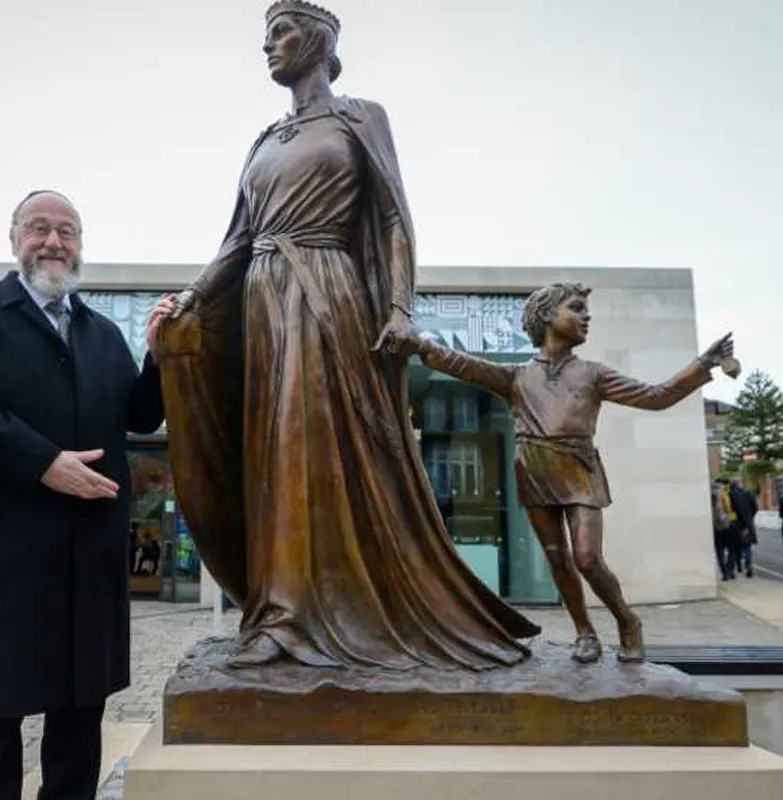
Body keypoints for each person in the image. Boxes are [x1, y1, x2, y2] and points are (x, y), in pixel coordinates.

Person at [159, 1, 538, 671]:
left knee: (309, 444)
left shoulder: (361, 118)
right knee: (270, 453)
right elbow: (239, 241)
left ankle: (321, 608)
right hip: (260, 300)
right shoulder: (263, 141)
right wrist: (190, 297)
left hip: (327, 291)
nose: (270, 45)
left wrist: (400, 307)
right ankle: (276, 612)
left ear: (323, 41)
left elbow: (393, 215)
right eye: (267, 34)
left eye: (283, 31)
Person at [397, 282, 735, 664]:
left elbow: (657, 397)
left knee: (587, 558)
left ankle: (627, 620)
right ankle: (584, 632)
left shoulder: (593, 374)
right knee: (556, 556)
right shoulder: (517, 377)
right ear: (546, 317)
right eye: (576, 309)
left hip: (580, 470)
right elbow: (463, 365)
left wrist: (702, 364)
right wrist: (420, 344)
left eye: (585, 311)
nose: (586, 316)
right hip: (535, 469)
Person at [0, 190, 173, 799]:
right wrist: (42, 462)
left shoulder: (101, 333)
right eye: (39, 229)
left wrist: (156, 357)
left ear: (80, 245)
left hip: (89, 559)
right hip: (11, 557)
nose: (53, 242)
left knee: (79, 721)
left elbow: (141, 417)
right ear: (14, 237)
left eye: (66, 232)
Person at [729, 477, 759, 578]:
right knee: (747, 547)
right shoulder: (748, 494)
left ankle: (736, 568)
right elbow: (755, 508)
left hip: (735, 524)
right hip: (747, 523)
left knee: (735, 548)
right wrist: (749, 519)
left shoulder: (730, 495)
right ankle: (748, 566)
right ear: (738, 484)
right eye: (741, 482)